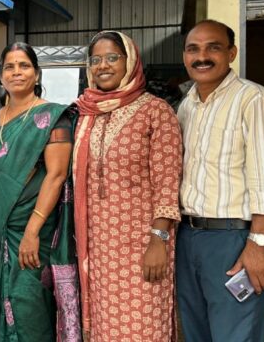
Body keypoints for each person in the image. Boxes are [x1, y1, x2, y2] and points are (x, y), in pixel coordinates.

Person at [177, 20, 264, 341]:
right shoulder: (187, 106)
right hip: (188, 237)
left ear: (231, 53)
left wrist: (259, 244)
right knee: (196, 331)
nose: (202, 57)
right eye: (193, 49)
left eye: (213, 47)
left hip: (232, 240)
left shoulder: (254, 100)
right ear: (185, 57)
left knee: (234, 333)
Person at [73, 31, 182, 341]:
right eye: (95, 60)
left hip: (144, 246)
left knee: (144, 326)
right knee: (105, 328)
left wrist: (158, 240)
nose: (103, 66)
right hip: (100, 250)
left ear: (130, 62)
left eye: (112, 58)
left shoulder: (155, 111)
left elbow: (167, 181)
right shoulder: (85, 113)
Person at [0, 42, 80, 341]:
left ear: (36, 74)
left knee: (28, 302)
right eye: (10, 66)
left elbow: (56, 175)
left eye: (24, 66)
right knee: (1, 300)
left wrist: (33, 230)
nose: (16, 72)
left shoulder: (53, 117)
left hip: (33, 229)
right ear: (1, 76)